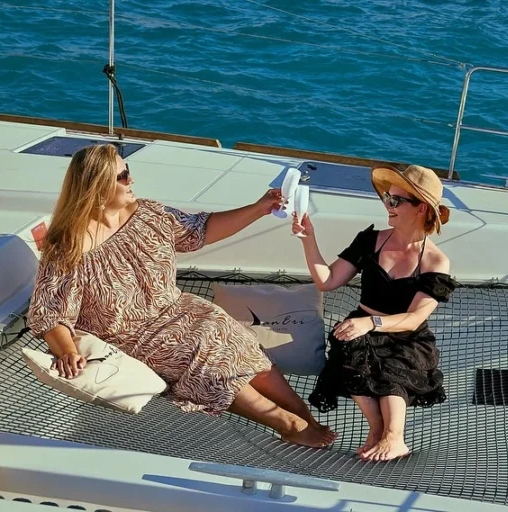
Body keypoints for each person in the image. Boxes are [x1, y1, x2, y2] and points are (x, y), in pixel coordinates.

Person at [26, 144, 335, 449]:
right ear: (96, 187)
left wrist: (259, 207)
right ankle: (287, 424)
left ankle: (302, 413)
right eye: (122, 177)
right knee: (203, 356)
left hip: (178, 309)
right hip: (134, 335)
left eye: (128, 171)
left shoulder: (148, 214)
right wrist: (67, 351)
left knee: (229, 334)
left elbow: (199, 231)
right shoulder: (68, 248)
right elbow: (51, 314)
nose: (131, 180)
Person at [292, 164, 456, 462]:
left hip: (406, 335)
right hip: (361, 326)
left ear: (421, 208)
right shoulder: (371, 240)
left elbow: (415, 318)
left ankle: (395, 438)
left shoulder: (435, 261)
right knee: (349, 345)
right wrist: (308, 238)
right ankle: (378, 430)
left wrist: (371, 323)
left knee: (395, 366)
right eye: (387, 198)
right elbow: (327, 281)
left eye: (396, 200)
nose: (387, 205)